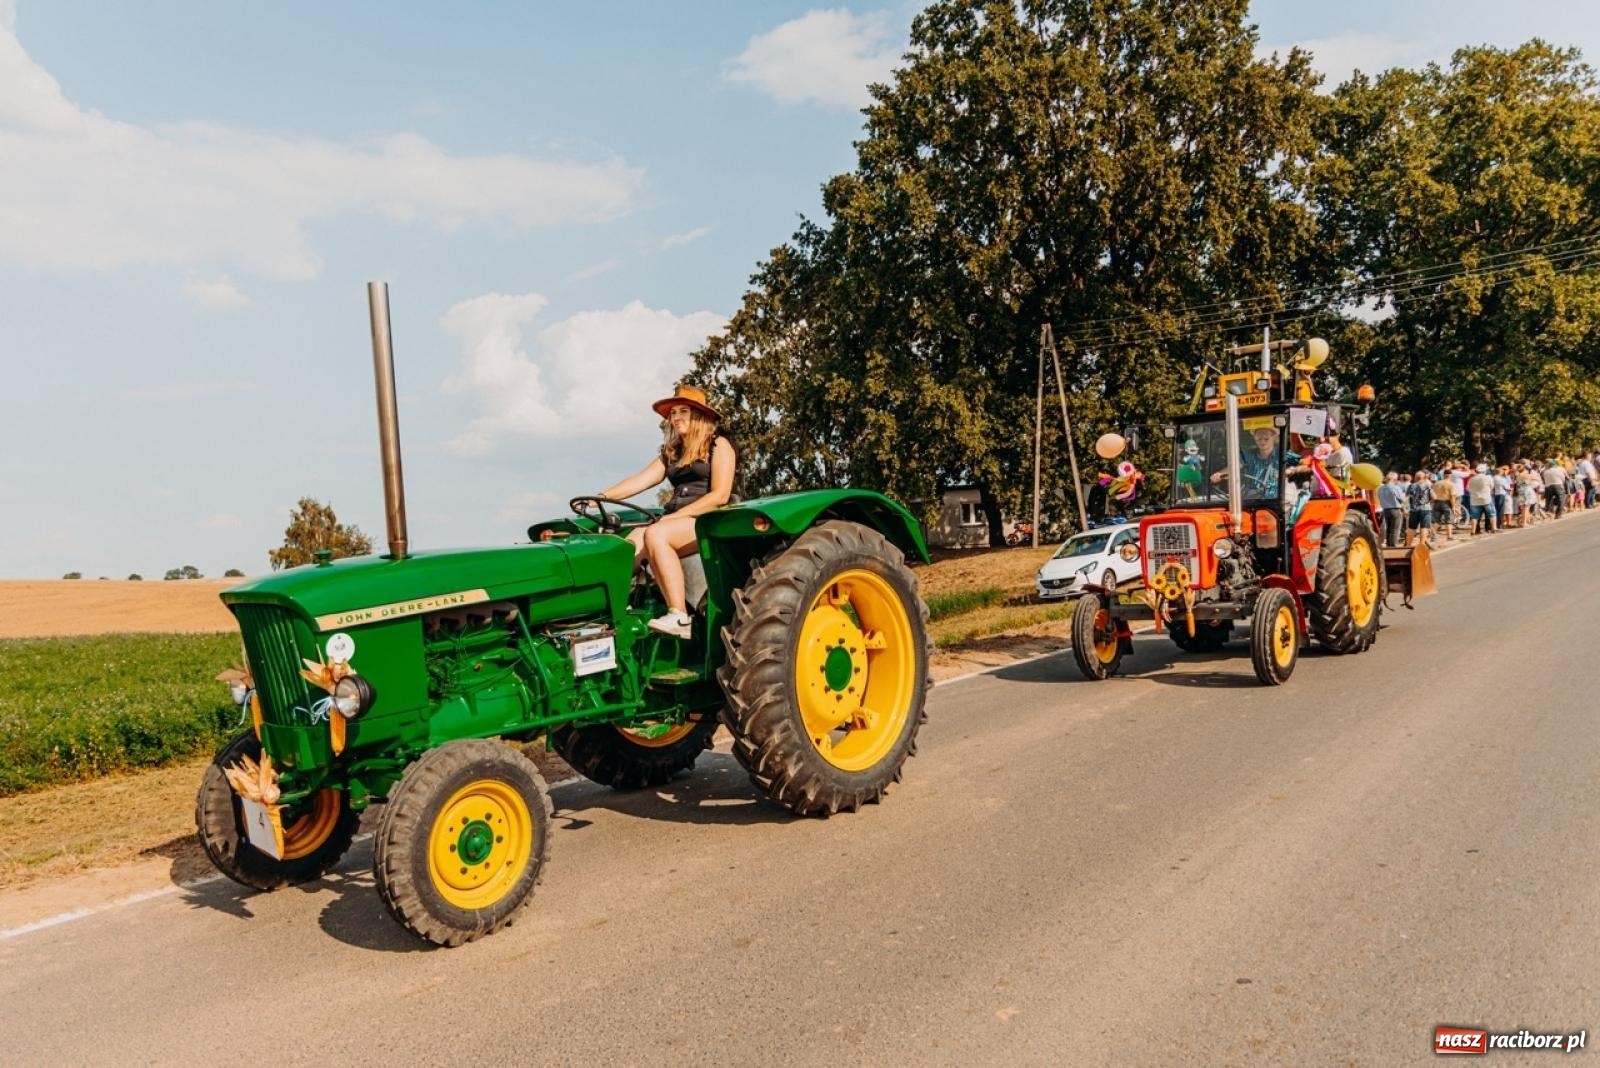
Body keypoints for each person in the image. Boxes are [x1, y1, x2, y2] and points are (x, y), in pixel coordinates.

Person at [596, 384, 737, 638]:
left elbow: (720, 495)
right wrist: (601, 497)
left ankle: (679, 616)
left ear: (699, 415)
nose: (676, 417)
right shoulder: (672, 452)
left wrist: (672, 518)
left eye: (683, 411)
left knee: (656, 533)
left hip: (706, 520)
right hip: (674, 522)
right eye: (673, 413)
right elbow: (640, 480)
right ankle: (609, 612)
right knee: (629, 544)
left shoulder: (718, 444)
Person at [1210, 425, 1301, 499]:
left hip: (1277, 500)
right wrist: (1220, 474)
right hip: (1253, 501)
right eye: (1258, 438)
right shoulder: (1248, 455)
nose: (1262, 441)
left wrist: (1290, 471)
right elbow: (1234, 467)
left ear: (1274, 438)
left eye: (1266, 438)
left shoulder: (1283, 454)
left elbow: (1304, 465)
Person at [1377, 470, 1407, 547]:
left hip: (1385, 510)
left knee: (1389, 528)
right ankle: (1393, 545)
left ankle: (1389, 545)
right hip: (1395, 509)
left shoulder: (1381, 488)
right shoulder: (1395, 488)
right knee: (1395, 529)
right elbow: (1402, 499)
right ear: (1394, 479)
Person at [1466, 463, 1496, 535]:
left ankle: (1473, 531)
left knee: (1474, 516)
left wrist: (1474, 492)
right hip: (1486, 499)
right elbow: (1492, 486)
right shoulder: (1488, 478)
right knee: (1492, 514)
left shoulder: (1472, 479)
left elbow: (1468, 489)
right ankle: (1494, 528)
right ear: (1484, 471)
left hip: (1475, 500)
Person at [1406, 469, 1433, 545]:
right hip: (1425, 509)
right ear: (1424, 478)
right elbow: (1434, 497)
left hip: (1413, 509)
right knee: (1424, 527)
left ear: (1415, 477)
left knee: (1411, 528)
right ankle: (1422, 544)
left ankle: (1408, 545)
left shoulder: (1410, 486)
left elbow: (1407, 497)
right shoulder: (1427, 485)